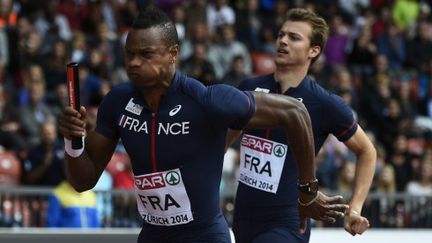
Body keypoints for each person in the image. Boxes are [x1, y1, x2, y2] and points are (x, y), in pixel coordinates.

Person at [59, 6, 346, 243]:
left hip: (204, 237)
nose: (134, 63)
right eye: (129, 53)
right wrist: (73, 142)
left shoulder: (208, 100)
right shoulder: (117, 102)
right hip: (153, 237)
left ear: (172, 54)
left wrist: (307, 191)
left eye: (146, 54)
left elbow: (295, 112)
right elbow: (83, 182)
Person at [227, 8, 376, 243]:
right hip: (243, 218)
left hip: (288, 221)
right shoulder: (249, 87)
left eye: (294, 37)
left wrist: (354, 208)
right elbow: (222, 142)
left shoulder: (325, 103)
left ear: (313, 51)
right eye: (281, 35)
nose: (283, 41)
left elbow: (367, 151)